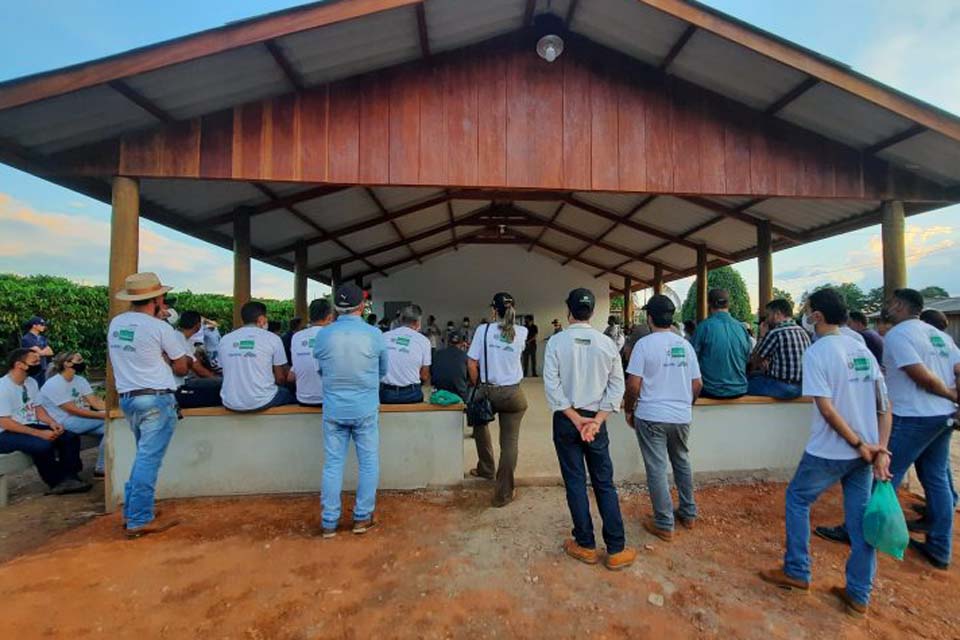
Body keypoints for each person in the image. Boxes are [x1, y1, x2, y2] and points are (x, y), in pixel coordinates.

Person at [759, 288, 892, 617]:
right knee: (860, 520)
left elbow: (827, 409)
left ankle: (797, 570)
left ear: (817, 316)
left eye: (808, 309)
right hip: (864, 453)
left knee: (798, 499)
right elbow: (884, 405)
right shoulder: (860, 348)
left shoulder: (819, 352)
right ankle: (859, 592)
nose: (805, 314)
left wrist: (859, 444)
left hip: (831, 449)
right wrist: (879, 448)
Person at [815, 288, 960, 569]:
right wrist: (954, 400)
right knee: (937, 479)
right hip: (941, 418)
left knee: (881, 474)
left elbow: (917, 373)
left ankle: (856, 530)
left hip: (911, 415)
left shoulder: (900, 334)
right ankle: (940, 548)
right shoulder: (939, 336)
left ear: (899, 306)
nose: (886, 308)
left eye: (890, 304)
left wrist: (952, 395)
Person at [544, 288, 636, 570]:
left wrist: (575, 418)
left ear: (568, 310)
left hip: (567, 420)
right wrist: (596, 421)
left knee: (575, 482)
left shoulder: (556, 343)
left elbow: (552, 385)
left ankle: (585, 545)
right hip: (596, 422)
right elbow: (617, 386)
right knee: (603, 482)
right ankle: (616, 549)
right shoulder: (607, 344)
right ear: (593, 312)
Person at [108, 272, 190, 537]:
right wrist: (165, 357)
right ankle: (140, 519)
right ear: (156, 299)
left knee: (142, 454)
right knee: (149, 458)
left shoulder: (117, 324)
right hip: (156, 397)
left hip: (129, 398)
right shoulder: (160, 328)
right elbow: (181, 365)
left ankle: (133, 510)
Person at [624, 294, 702, 541]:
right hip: (680, 416)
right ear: (671, 318)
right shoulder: (685, 345)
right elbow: (698, 384)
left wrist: (629, 410)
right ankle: (688, 514)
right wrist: (685, 405)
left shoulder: (644, 345)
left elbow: (634, 385)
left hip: (651, 416)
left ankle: (664, 523)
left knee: (657, 468)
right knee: (681, 461)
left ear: (649, 318)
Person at [313, 283, 388, 538]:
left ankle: (329, 522)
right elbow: (382, 371)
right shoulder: (374, 334)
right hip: (365, 408)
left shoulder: (323, 335)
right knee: (368, 463)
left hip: (334, 408)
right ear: (361, 306)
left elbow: (321, 370)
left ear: (336, 307)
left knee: (332, 464)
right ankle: (361, 518)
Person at [467, 292, 529, 507]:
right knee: (509, 443)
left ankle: (486, 468)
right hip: (512, 393)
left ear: (493, 310)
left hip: (487, 389)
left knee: (479, 422)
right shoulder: (522, 331)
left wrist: (479, 387)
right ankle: (503, 494)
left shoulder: (482, 330)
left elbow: (471, 364)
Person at [0, 348, 90, 495]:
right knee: (43, 445)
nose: (39, 364)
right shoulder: (2, 387)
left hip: (26, 426)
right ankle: (56, 482)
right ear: (19, 365)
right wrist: (39, 433)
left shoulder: (31, 382)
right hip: (5, 433)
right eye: (34, 362)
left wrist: (52, 423)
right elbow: (5, 422)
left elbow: (38, 408)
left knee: (69, 437)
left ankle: (70, 477)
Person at [39, 352, 107, 477]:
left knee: (112, 429)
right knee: (112, 422)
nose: (82, 362)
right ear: (67, 364)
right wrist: (105, 415)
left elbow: (95, 402)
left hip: (81, 420)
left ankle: (101, 468)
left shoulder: (80, 380)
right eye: (79, 360)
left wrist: (112, 410)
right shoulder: (54, 384)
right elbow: (72, 410)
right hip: (64, 422)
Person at [220, 301, 294, 412]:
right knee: (289, 393)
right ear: (261, 319)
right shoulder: (273, 338)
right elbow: (280, 378)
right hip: (262, 401)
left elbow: (224, 369)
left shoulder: (225, 339)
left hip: (230, 402)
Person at [691, 289, 751, 399]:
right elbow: (748, 358)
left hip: (711, 391)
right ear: (729, 304)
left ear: (708, 304)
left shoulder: (704, 327)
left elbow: (691, 360)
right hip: (740, 389)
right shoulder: (741, 328)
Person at [747, 298, 810, 399]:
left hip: (783, 388)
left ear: (777, 314)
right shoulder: (803, 332)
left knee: (743, 384)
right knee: (756, 375)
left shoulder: (776, 333)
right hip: (802, 387)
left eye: (768, 315)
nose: (767, 320)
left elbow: (755, 359)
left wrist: (762, 336)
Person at [380, 305, 431, 404]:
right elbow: (424, 375)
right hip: (412, 394)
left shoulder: (384, 337)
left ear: (401, 319)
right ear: (418, 322)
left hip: (386, 393)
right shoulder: (423, 341)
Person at [288, 299, 333, 407]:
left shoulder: (296, 337)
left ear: (309, 317)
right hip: (329, 399)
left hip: (303, 399)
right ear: (329, 317)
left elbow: (291, 376)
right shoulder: (334, 335)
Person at [431, 331, 470, 402]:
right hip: (459, 395)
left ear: (448, 342)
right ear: (462, 343)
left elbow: (431, 374)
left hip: (440, 393)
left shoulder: (438, 354)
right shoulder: (465, 356)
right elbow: (471, 378)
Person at [20, 316, 53, 386]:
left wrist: (41, 352)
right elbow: (35, 352)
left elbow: (50, 351)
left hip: (43, 368)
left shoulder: (42, 338)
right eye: (41, 324)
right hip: (33, 369)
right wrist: (43, 351)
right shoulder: (26, 338)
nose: (43, 326)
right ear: (34, 325)